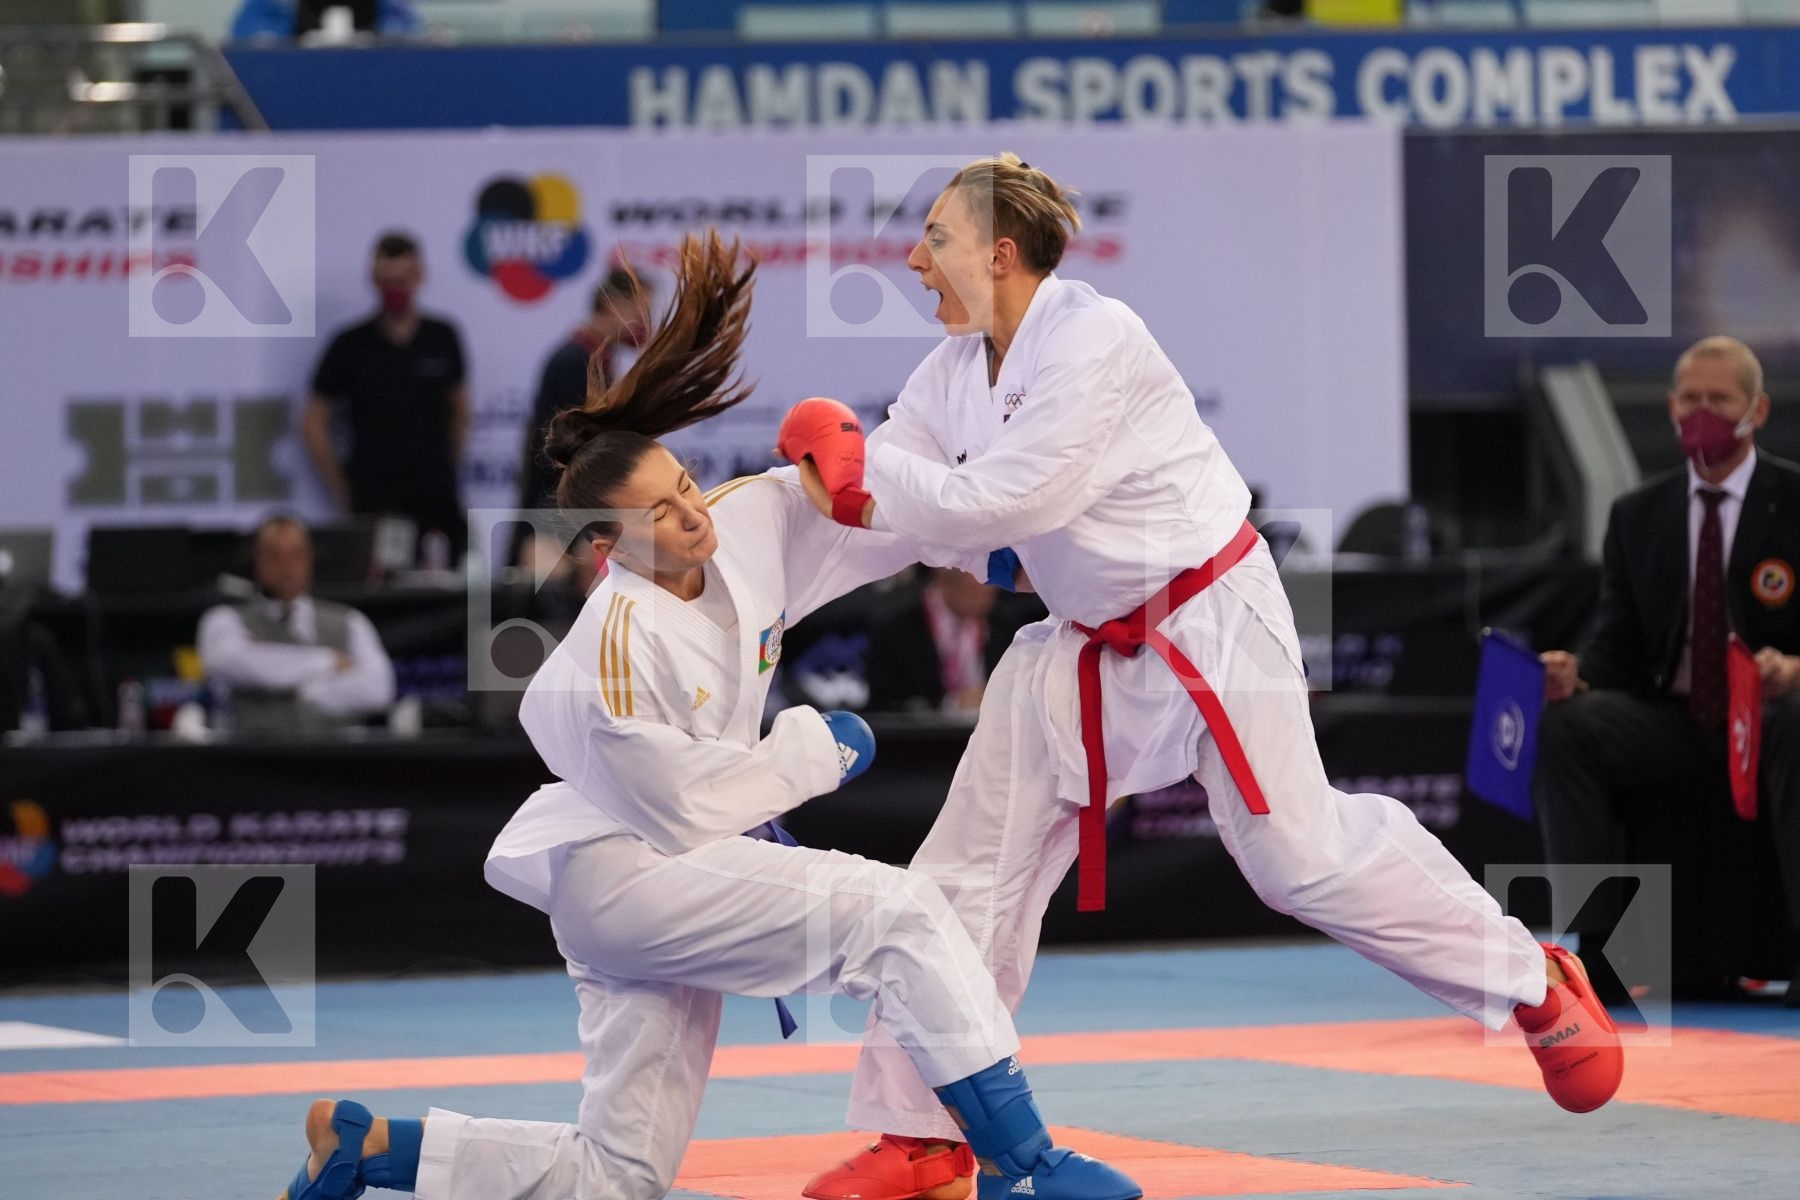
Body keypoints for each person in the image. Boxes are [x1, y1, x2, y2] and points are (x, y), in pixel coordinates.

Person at [782, 153, 1624, 1200]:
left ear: (998, 254)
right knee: (966, 869)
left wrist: (865, 480)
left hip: (1209, 619)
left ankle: (1531, 977)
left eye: (936, 238)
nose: (913, 259)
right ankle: (926, 1137)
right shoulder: (952, 373)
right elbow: (881, 512)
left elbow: (1007, 502)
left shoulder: (1094, 338)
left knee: (1298, 862)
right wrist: (755, 567)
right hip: (1081, 643)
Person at [275, 232, 1141, 1200]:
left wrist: (985, 545)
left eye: (683, 485)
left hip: (682, 871)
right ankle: (1029, 1164)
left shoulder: (740, 519)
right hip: (629, 873)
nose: (692, 516)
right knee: (897, 913)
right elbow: (682, 805)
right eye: (659, 513)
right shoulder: (611, 656)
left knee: (619, 1177)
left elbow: (863, 516)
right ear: (605, 548)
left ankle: (370, 1150)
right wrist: (812, 752)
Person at [1536, 335, 1800, 1003]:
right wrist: (1576, 674)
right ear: (1671, 406)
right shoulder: (1638, 515)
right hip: (1675, 716)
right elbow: (1615, 644)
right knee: (1569, 725)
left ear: (1758, 410)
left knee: (1793, 717)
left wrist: (1793, 670)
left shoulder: (1794, 500)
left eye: (1721, 400)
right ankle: (1597, 948)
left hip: (1771, 712)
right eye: (1691, 399)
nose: (1703, 413)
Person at [303, 232, 472, 565]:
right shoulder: (350, 345)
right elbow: (313, 421)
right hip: (375, 498)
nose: (395, 288)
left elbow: (461, 411)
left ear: (420, 277)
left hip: (435, 497)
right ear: (374, 280)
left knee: (447, 582)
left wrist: (446, 466)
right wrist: (343, 488)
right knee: (383, 582)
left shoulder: (443, 337)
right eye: (387, 280)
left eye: (403, 279)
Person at [197, 515, 394, 735]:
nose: (286, 565)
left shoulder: (350, 620)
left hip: (332, 751)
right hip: (254, 751)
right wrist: (327, 662)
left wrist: (299, 691)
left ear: (311, 559)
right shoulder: (224, 619)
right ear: (254, 560)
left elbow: (379, 690)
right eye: (274, 556)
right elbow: (234, 663)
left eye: (296, 554)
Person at [513, 266, 654, 569]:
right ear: (613, 305)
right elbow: (575, 449)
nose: (646, 322)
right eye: (641, 311)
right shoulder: (575, 363)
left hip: (573, 506)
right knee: (550, 592)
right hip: (558, 509)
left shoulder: (598, 361)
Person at [866, 568, 1042, 714]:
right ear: (943, 580)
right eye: (973, 590)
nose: (985, 598)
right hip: (920, 739)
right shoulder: (895, 630)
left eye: (992, 590)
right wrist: (951, 705)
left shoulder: (1006, 627)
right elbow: (884, 707)